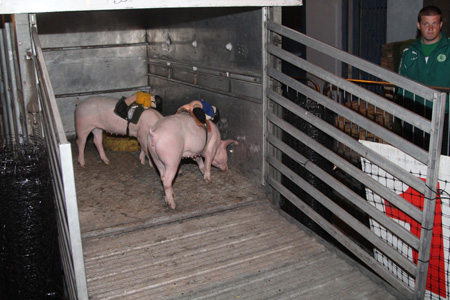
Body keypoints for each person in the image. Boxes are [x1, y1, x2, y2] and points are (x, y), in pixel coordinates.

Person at [398, 5, 450, 155]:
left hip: (445, 116)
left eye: (435, 23)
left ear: (441, 25)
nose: (430, 28)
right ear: (419, 25)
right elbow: (401, 85)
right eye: (426, 24)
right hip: (415, 116)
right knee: (416, 160)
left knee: (444, 161)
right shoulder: (409, 52)